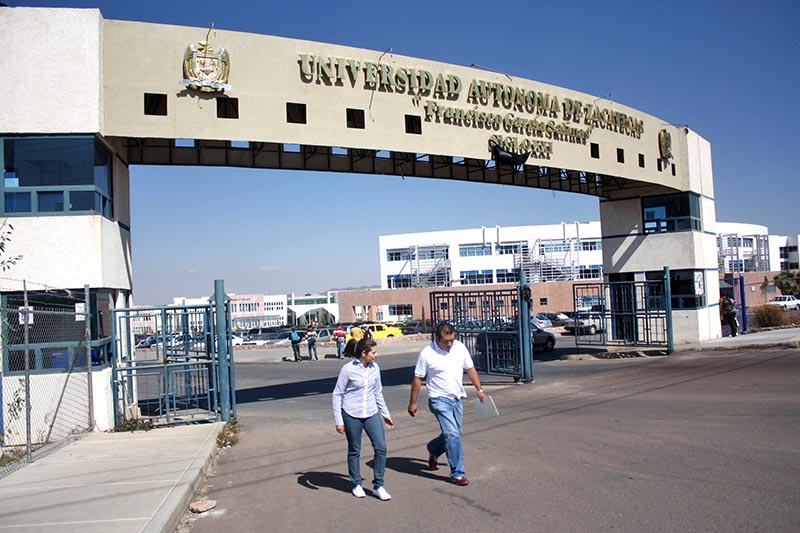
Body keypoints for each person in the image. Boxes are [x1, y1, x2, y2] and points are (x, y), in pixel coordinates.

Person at [408, 321, 485, 486]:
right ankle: (457, 473)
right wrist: (412, 402)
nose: (450, 344)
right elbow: (417, 378)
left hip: (457, 398)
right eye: (446, 341)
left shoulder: (459, 348)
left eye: (452, 340)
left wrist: (479, 390)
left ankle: (434, 449)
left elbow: (470, 369)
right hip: (438, 399)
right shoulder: (427, 354)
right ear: (437, 338)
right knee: (453, 435)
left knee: (454, 433)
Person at [332, 337, 394, 501]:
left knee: (381, 447)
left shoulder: (375, 368)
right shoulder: (348, 369)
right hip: (352, 413)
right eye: (373, 353)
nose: (376, 355)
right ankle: (356, 483)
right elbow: (337, 394)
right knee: (355, 449)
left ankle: (378, 485)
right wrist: (339, 420)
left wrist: (385, 414)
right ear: (363, 353)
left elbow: (378, 392)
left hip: (371, 413)